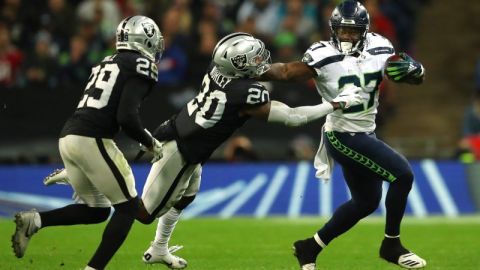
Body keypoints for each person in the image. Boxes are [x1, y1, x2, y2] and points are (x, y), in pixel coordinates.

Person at [43, 32, 364, 269]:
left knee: (187, 195)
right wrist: (334, 104)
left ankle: (159, 248)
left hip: (184, 139)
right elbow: (292, 117)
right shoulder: (246, 92)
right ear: (239, 66)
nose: (259, 62)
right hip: (178, 149)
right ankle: (82, 176)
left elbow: (272, 76)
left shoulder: (219, 72)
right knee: (140, 212)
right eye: (253, 58)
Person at [260, 1, 426, 269]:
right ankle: (391, 244)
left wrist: (415, 72)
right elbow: (288, 72)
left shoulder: (380, 46)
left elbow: (404, 72)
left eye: (353, 30)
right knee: (403, 175)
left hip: (365, 132)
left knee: (366, 202)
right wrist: (255, 70)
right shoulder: (322, 53)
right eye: (342, 30)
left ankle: (309, 248)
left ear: (365, 30)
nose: (347, 35)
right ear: (333, 29)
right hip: (342, 134)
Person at [11, 15, 164, 270]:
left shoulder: (108, 60)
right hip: (92, 139)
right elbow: (126, 117)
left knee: (98, 210)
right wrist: (149, 141)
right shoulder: (141, 65)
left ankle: (35, 221)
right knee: (129, 208)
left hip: (69, 136)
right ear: (144, 39)